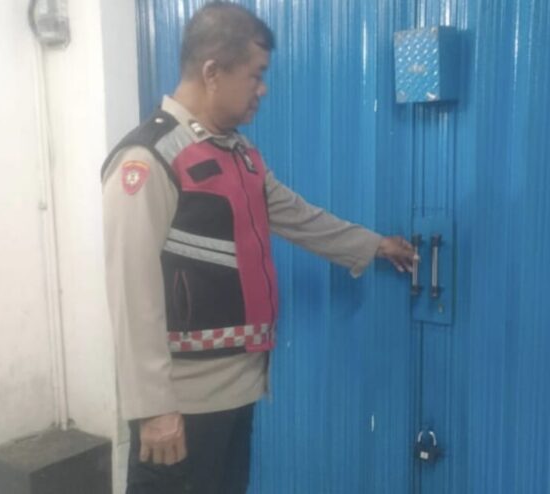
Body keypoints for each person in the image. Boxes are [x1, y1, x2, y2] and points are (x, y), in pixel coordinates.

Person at [101, 2, 416, 493]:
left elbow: (299, 217)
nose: (263, 89)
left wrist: (374, 245)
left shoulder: (240, 156)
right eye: (256, 75)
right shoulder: (149, 158)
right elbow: (131, 290)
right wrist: (153, 408)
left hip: (238, 391)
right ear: (212, 73)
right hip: (181, 406)